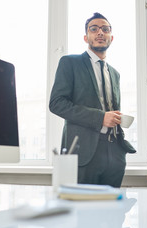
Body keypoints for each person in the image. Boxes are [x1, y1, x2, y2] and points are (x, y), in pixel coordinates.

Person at [49, 12, 136, 187]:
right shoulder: (69, 62)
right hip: (84, 153)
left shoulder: (115, 74)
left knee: (112, 212)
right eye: (94, 29)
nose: (100, 33)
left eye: (105, 29)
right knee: (83, 211)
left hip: (115, 153)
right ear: (85, 36)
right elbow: (56, 103)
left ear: (112, 37)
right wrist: (100, 117)